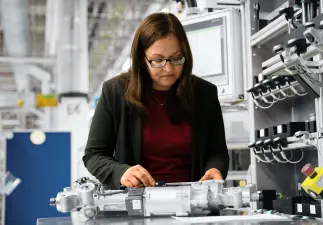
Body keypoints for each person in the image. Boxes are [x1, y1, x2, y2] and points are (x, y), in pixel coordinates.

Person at [83, 12, 229, 190]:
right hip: (135, 206)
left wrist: (215, 168)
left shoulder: (204, 93)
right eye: (158, 60)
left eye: (176, 58)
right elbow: (94, 154)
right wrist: (120, 172)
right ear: (142, 59)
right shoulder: (116, 92)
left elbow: (217, 152)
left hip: (194, 204)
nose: (168, 69)